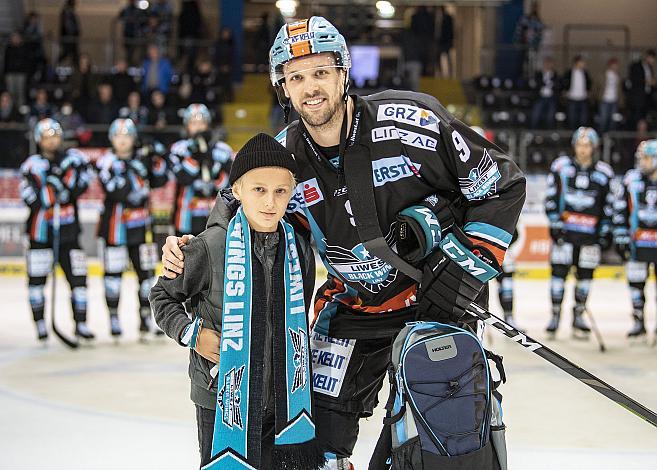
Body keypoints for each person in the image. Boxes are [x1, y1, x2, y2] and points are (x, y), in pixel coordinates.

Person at [161, 17, 526, 468]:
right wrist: (188, 248)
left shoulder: (411, 120)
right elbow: (234, 213)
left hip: (437, 302)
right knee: (312, 450)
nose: (310, 87)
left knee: (446, 446)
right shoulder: (284, 157)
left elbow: (501, 186)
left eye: (320, 72)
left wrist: (461, 271)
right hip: (352, 310)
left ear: (343, 73)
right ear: (284, 89)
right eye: (296, 77)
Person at [150, 133, 324, 469]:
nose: (270, 203)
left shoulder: (298, 249)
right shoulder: (209, 246)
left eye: (280, 191)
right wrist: (192, 333)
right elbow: (161, 297)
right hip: (221, 399)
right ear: (238, 191)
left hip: (283, 402)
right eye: (259, 189)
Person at [19, 118, 94, 341]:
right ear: (39, 140)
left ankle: (80, 324)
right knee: (36, 280)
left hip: (70, 232)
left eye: (55, 136)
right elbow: (33, 199)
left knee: (79, 279)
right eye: (46, 137)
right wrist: (53, 186)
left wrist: (64, 181)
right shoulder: (31, 165)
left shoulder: (73, 159)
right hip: (40, 234)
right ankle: (40, 324)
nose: (52, 141)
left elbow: (82, 185)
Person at [96, 118, 168, 339]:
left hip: (141, 227)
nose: (123, 140)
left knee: (146, 276)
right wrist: (135, 169)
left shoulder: (141, 158)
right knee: (113, 277)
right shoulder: (106, 161)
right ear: (111, 139)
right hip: (114, 229)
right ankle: (113, 316)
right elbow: (115, 190)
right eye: (118, 136)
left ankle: (146, 317)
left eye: (127, 136)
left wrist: (156, 157)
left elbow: (160, 180)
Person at [545, 127, 613, 338]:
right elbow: (550, 198)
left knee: (585, 279)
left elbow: (608, 206)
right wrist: (555, 224)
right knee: (558, 276)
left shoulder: (604, 172)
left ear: (594, 147)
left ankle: (578, 317)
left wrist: (605, 232)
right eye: (580, 144)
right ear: (574, 145)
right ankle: (555, 316)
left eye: (587, 145)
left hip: (589, 238)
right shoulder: (560, 167)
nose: (583, 149)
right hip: (564, 235)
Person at [613, 139, 657, 340]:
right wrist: (621, 235)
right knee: (636, 284)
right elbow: (620, 209)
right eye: (641, 158)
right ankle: (639, 322)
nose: (642, 162)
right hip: (638, 242)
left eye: (646, 158)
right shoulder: (631, 179)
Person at [167, 103, 233, 237]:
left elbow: (229, 185)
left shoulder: (223, 150)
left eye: (202, 122)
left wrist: (213, 164)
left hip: (216, 216)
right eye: (193, 123)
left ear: (208, 125)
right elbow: (183, 178)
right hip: (186, 216)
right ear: (187, 125)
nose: (198, 127)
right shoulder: (178, 149)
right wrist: (195, 157)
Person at [626, 49, 656, 130]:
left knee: (644, 117)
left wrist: (653, 82)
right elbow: (634, 79)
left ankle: (642, 135)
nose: (652, 61)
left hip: (647, 97)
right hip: (637, 98)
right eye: (652, 58)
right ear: (647, 57)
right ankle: (634, 136)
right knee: (636, 117)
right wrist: (647, 81)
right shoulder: (636, 66)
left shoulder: (650, 68)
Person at [563, 55, 592, 129]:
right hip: (572, 98)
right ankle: (572, 136)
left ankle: (582, 137)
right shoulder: (569, 72)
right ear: (577, 62)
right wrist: (565, 91)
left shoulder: (585, 73)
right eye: (581, 62)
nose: (583, 64)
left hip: (583, 99)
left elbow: (589, 83)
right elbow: (563, 82)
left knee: (583, 120)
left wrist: (588, 92)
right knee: (572, 119)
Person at [530, 56, 559, 129]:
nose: (548, 65)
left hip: (551, 97)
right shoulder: (539, 74)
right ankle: (533, 129)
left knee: (550, 115)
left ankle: (549, 131)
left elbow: (557, 84)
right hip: (540, 97)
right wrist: (546, 83)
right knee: (536, 114)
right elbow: (537, 84)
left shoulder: (554, 74)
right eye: (546, 63)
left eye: (550, 63)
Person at [3, 32, 30, 108]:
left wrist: (27, 72)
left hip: (21, 73)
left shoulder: (24, 48)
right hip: (10, 73)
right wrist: (5, 73)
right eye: (14, 38)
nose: (15, 39)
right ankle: (10, 110)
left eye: (17, 37)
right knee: (10, 92)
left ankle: (20, 110)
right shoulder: (8, 48)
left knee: (20, 92)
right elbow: (6, 61)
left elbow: (27, 61)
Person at [598, 57, 620, 133]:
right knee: (603, 119)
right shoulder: (604, 74)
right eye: (615, 65)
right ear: (610, 65)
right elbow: (597, 86)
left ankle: (610, 137)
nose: (616, 67)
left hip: (614, 100)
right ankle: (602, 136)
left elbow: (618, 89)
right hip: (605, 100)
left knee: (612, 120)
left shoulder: (617, 76)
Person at [58, 0, 80, 65]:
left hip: (70, 38)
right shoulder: (67, 12)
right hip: (69, 39)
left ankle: (76, 68)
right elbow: (68, 26)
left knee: (72, 54)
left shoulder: (68, 11)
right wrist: (74, 33)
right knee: (69, 53)